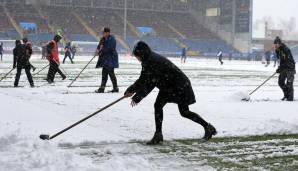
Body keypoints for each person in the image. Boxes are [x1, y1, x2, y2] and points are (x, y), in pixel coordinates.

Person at [124, 41, 217, 145]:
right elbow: (143, 79)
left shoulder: (152, 61)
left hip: (179, 86)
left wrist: (137, 96)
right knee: (167, 108)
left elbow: (151, 83)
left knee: (180, 111)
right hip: (170, 86)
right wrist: (131, 89)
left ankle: (159, 135)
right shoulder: (148, 60)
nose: (137, 58)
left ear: (141, 54)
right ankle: (159, 134)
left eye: (137, 56)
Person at [95, 27, 119, 93]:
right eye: (103, 33)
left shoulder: (112, 39)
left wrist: (101, 51)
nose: (103, 34)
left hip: (111, 58)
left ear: (108, 33)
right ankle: (102, 88)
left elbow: (110, 48)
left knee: (111, 73)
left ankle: (115, 88)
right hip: (105, 59)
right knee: (104, 73)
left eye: (104, 32)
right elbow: (99, 45)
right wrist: (97, 50)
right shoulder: (102, 39)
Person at [274, 36, 296, 101]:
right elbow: (281, 60)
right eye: (274, 44)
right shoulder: (277, 50)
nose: (275, 45)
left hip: (290, 67)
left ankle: (290, 98)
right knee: (280, 82)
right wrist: (279, 68)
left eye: (276, 44)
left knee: (289, 83)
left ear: (279, 43)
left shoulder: (285, 49)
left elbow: (287, 60)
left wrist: (281, 67)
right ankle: (286, 95)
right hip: (284, 68)